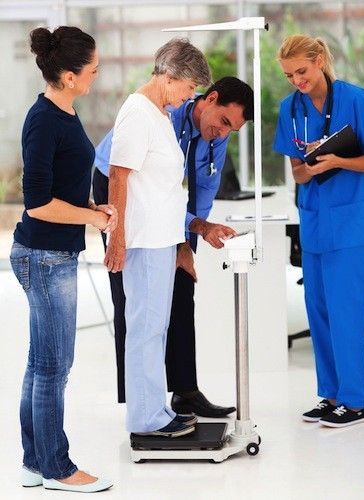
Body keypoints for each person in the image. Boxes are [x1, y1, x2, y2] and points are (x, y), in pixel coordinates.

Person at [93, 76, 254, 418]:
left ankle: (184, 391)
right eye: (224, 121)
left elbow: (202, 193)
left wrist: (188, 243)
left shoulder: (216, 138)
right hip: (117, 184)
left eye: (232, 130)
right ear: (209, 99)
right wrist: (189, 228)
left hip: (173, 205)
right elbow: (146, 186)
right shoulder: (165, 113)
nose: (223, 133)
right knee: (132, 295)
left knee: (181, 286)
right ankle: (140, 402)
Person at [10, 27, 115, 492]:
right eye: (92, 69)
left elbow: (64, 187)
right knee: (54, 366)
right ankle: (57, 467)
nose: (97, 73)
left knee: (41, 363)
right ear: (69, 76)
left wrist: (93, 210)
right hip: (45, 255)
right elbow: (37, 203)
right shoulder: (44, 120)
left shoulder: (63, 111)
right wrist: (94, 220)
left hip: (52, 253)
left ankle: (36, 461)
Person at [273, 34, 364, 427]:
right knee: (319, 310)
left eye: (302, 71)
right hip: (315, 221)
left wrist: (337, 159)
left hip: (352, 223)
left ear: (320, 59)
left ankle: (354, 401)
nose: (297, 81)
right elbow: (297, 171)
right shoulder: (290, 108)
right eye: (290, 75)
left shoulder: (355, 99)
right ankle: (330, 396)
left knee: (347, 311)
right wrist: (310, 166)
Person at [103, 38, 215, 438]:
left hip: (161, 241)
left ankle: (155, 410)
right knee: (145, 329)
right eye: (188, 90)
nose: (188, 98)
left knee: (155, 329)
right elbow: (118, 175)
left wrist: (180, 244)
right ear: (170, 78)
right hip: (144, 240)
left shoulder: (158, 114)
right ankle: (146, 421)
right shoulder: (137, 112)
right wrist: (116, 238)